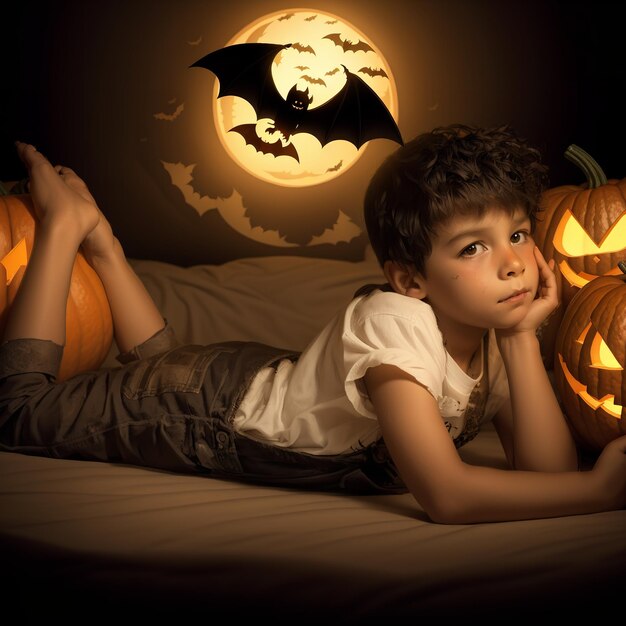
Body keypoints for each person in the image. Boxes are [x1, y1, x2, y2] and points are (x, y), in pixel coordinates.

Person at [1, 125, 624, 525]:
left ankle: (103, 243)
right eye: (472, 248)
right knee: (19, 411)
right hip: (209, 414)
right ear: (410, 279)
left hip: (255, 373)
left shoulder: (494, 330)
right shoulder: (396, 322)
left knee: (155, 367)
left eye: (516, 234)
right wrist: (599, 492)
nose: (515, 262)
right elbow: (447, 495)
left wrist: (518, 339)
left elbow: (546, 481)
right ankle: (63, 228)